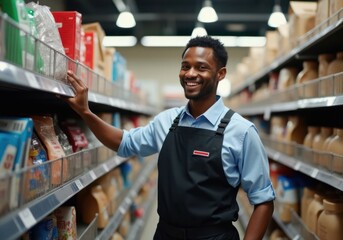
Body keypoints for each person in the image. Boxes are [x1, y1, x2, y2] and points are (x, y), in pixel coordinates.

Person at [64, 35, 275, 240]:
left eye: (201, 67)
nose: (190, 74)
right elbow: (124, 143)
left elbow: (263, 200)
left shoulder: (241, 132)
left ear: (220, 74)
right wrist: (86, 113)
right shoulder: (167, 121)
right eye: (185, 66)